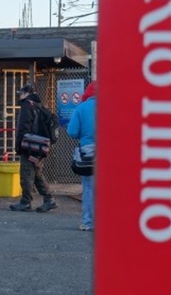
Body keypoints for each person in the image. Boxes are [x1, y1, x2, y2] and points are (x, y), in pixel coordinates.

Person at [11, 84, 57, 213]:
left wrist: (19, 146)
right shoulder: (40, 105)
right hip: (40, 146)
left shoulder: (27, 106)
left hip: (30, 145)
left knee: (26, 173)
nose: (20, 96)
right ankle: (49, 199)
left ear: (26, 93)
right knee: (37, 173)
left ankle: (25, 202)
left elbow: (23, 127)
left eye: (21, 93)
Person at [67, 81, 97, 231]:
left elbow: (72, 131)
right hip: (109, 154)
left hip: (88, 154)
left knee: (89, 189)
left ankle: (88, 222)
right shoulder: (112, 107)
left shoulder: (81, 108)